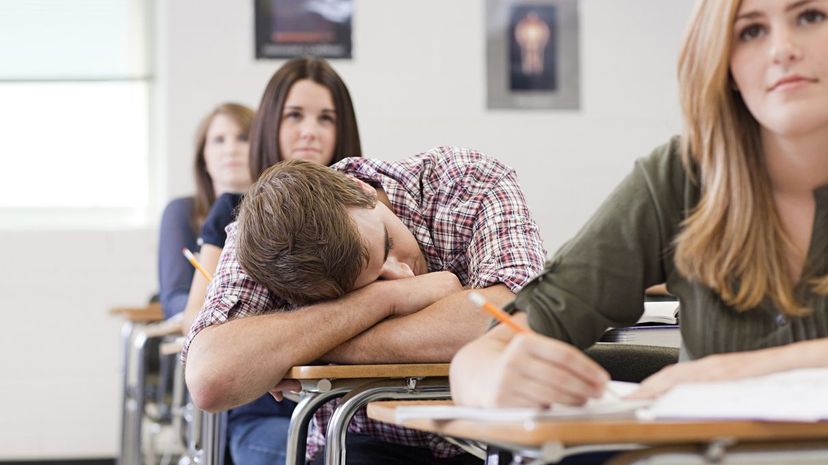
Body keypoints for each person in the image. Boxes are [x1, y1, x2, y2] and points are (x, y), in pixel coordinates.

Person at [450, 0, 828, 410]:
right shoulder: (681, 178)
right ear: (725, 63)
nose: (782, 49)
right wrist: (486, 378)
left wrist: (739, 373)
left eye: (810, 17)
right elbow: (490, 352)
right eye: (751, 31)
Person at [184, 147, 546, 464]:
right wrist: (385, 301)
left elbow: (518, 319)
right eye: (369, 284)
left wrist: (309, 344)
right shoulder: (266, 242)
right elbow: (211, 378)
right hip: (359, 442)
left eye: (387, 244)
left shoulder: (468, 182)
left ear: (361, 190)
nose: (403, 275)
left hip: (489, 435)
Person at [179, 56, 362, 465]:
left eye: (326, 119)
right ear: (269, 124)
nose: (310, 132)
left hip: (353, 410)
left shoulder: (367, 215)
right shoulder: (232, 212)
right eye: (294, 115)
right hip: (264, 413)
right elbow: (198, 333)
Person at [158, 102, 254, 320]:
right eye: (219, 140)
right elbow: (174, 298)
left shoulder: (281, 215)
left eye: (243, 138)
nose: (231, 149)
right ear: (204, 157)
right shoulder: (181, 212)